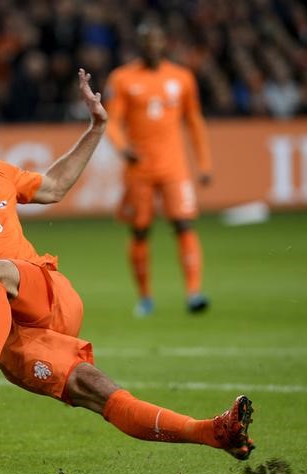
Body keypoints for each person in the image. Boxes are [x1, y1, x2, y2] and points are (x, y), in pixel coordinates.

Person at [0, 70, 255, 461]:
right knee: (101, 392)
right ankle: (212, 433)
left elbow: (52, 187)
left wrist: (97, 129)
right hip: (11, 343)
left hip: (48, 298)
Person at [104, 21, 213, 316]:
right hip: (139, 169)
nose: (152, 46)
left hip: (174, 168)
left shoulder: (182, 78)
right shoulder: (122, 79)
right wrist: (122, 147)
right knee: (140, 231)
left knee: (183, 223)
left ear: (165, 43)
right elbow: (112, 120)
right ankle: (145, 297)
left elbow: (194, 122)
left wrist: (203, 164)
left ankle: (194, 293)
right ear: (139, 45)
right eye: (147, 41)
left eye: (157, 40)